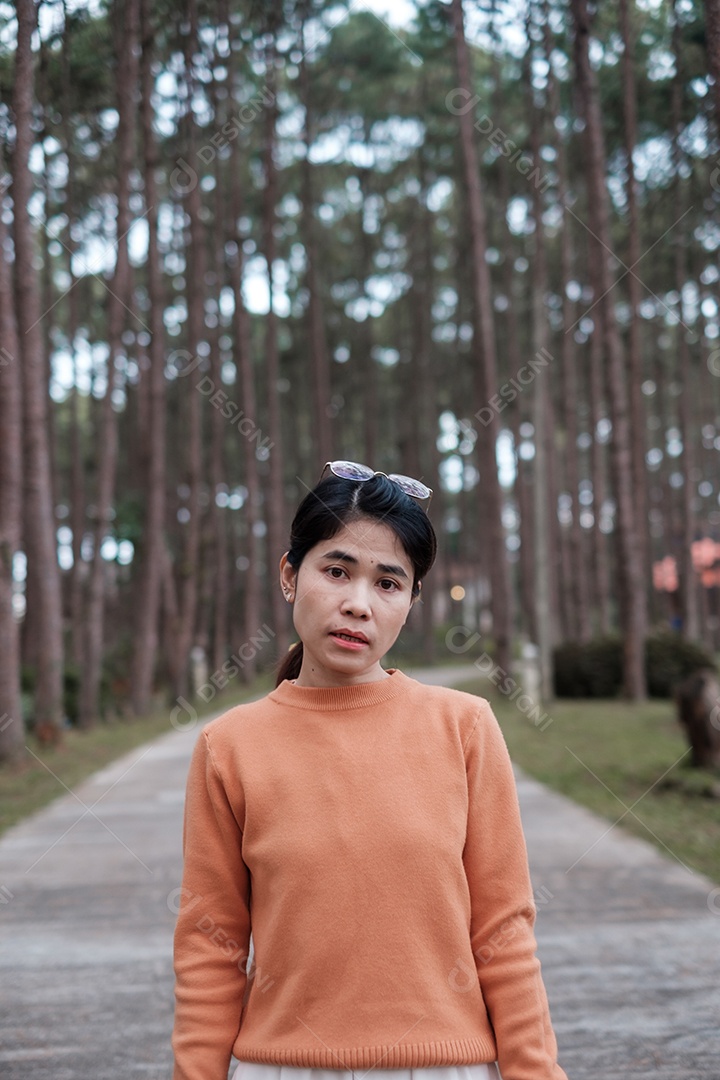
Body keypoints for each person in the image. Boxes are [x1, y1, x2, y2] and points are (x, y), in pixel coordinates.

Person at [171, 461, 569, 1080]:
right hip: (278, 1066)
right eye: (335, 571)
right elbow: (210, 942)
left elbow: (504, 930)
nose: (357, 604)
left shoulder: (463, 727)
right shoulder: (229, 747)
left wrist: (535, 1072)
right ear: (289, 574)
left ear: (411, 601)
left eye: (388, 583)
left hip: (447, 1066)